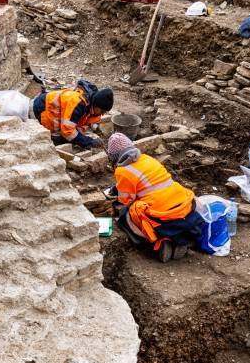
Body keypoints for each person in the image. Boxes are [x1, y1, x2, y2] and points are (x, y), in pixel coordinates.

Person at [105, 132, 205, 262]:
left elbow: (126, 200)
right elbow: (145, 179)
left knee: (127, 214)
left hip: (160, 212)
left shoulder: (122, 171)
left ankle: (162, 242)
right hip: (183, 205)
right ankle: (179, 240)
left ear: (114, 157)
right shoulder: (147, 158)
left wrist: (118, 193)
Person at [32, 80, 112, 149]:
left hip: (54, 107)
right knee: (57, 139)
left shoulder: (91, 107)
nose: (102, 114)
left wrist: (81, 137)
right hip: (44, 107)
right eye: (102, 111)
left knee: (72, 136)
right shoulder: (78, 104)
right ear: (96, 105)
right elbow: (67, 132)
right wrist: (88, 142)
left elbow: (83, 125)